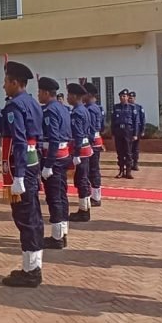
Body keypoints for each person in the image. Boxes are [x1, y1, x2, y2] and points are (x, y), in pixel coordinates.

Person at [0, 61, 45, 287]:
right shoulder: (33, 103)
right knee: (33, 217)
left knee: (25, 219)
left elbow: (18, 141)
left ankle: (31, 271)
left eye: (6, 81)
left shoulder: (14, 107)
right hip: (32, 163)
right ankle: (33, 265)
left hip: (22, 168)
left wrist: (17, 176)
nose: (3, 86)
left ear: (15, 83)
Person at [37, 77, 71, 249]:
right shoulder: (63, 108)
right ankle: (62, 231)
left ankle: (57, 237)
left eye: (39, 92)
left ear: (45, 92)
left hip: (54, 159)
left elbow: (54, 139)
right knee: (61, 195)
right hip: (63, 157)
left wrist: (48, 164)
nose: (38, 95)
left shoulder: (50, 111)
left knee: (54, 198)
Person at [66, 83, 95, 222]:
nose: (67, 98)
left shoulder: (77, 112)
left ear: (74, 96)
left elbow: (77, 134)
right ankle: (85, 207)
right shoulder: (84, 110)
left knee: (81, 180)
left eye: (68, 95)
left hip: (80, 150)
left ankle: (84, 211)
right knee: (83, 179)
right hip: (85, 147)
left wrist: (76, 153)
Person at [83, 83, 105, 207]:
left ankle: (95, 196)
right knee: (93, 169)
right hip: (96, 141)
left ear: (89, 94)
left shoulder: (90, 109)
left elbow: (91, 129)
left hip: (92, 142)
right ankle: (95, 195)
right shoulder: (96, 107)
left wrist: (88, 144)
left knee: (92, 170)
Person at [112, 89, 138, 179]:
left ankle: (128, 172)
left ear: (127, 97)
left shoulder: (132, 108)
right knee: (120, 153)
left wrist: (135, 134)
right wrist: (113, 133)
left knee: (128, 152)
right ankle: (121, 171)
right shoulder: (116, 107)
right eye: (121, 96)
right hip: (118, 131)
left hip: (128, 131)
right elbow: (113, 121)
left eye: (125, 96)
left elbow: (135, 122)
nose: (123, 98)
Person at [128, 91, 145, 171]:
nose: (130, 99)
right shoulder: (126, 107)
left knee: (136, 148)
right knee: (128, 148)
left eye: (131, 98)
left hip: (137, 130)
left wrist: (142, 130)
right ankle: (129, 163)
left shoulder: (139, 107)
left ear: (134, 98)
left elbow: (142, 119)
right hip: (128, 131)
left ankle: (135, 163)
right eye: (129, 98)